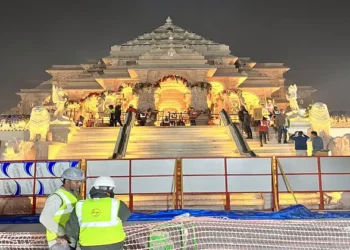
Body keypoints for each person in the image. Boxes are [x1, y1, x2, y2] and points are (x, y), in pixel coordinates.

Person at [65, 176, 131, 250]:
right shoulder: (117, 204)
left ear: (94, 188)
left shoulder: (80, 205)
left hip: (88, 246)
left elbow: (71, 229)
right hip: (114, 245)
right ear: (111, 190)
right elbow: (125, 216)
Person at [39, 168, 85, 250]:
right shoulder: (57, 197)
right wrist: (62, 233)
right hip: (59, 240)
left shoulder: (77, 196)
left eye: (81, 181)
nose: (80, 184)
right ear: (67, 182)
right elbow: (44, 218)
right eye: (77, 182)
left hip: (72, 239)